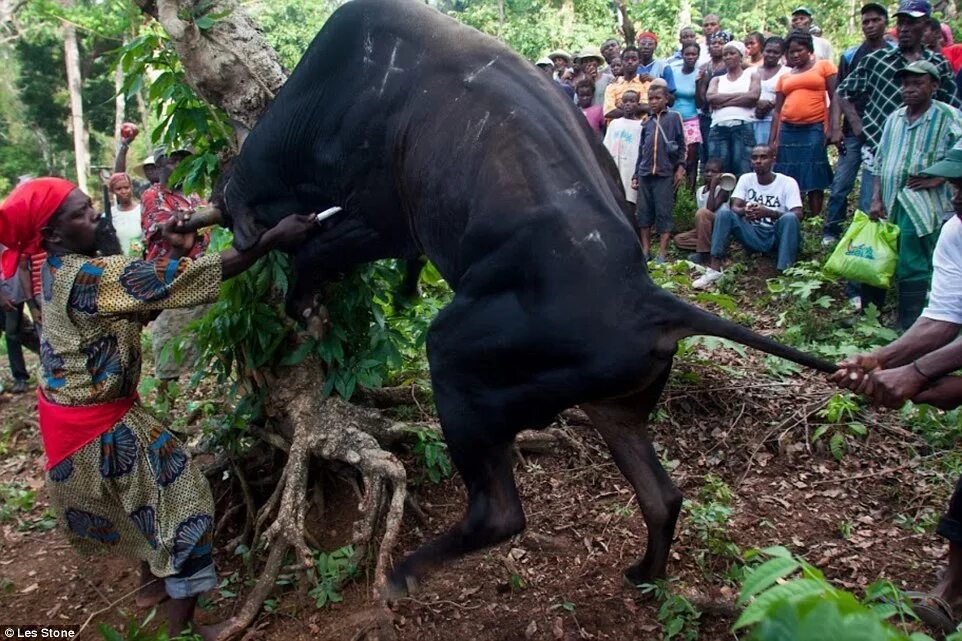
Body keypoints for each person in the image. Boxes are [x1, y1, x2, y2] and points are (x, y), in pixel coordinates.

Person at [0, 177, 318, 639]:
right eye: (81, 212)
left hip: (74, 420)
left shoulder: (53, 272)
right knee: (185, 501)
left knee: (141, 500)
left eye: (91, 206)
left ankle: (152, 587)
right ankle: (183, 632)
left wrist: (171, 250)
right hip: (100, 427)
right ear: (51, 233)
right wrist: (270, 240)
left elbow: (140, 298)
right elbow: (177, 282)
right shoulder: (83, 278)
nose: (96, 216)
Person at [829, 145, 962, 635]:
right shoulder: (956, 230)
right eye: (955, 185)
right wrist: (882, 362)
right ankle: (954, 587)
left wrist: (918, 372)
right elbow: (944, 317)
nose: (957, 197)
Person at [866, 60, 962, 330]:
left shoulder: (948, 116)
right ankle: (872, 317)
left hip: (923, 202)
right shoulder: (894, 118)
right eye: (906, 84)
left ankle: (910, 323)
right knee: (883, 255)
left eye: (917, 83)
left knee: (913, 256)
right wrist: (875, 197)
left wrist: (940, 177)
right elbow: (880, 159)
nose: (909, 89)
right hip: (890, 197)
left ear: (934, 85)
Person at [837, 0, 960, 207]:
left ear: (926, 25)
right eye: (901, 23)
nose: (903, 29)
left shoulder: (938, 65)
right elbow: (843, 92)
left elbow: (954, 109)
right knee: (873, 210)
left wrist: (943, 171)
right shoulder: (877, 60)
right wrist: (858, 125)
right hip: (879, 151)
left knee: (919, 214)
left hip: (923, 156)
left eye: (911, 23)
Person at [822, 2, 894, 244]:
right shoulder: (852, 55)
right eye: (866, 21)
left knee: (874, 188)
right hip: (853, 132)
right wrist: (835, 128)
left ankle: (867, 235)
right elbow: (839, 93)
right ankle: (831, 231)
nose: (870, 25)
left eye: (875, 20)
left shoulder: (895, 54)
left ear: (886, 23)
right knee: (841, 183)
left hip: (884, 132)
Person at [140, 149, 211, 386]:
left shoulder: (194, 195)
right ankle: (166, 400)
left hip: (198, 276)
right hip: (168, 277)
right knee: (168, 345)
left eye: (184, 160)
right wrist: (201, 217)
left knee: (199, 344)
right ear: (159, 167)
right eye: (174, 160)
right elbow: (167, 226)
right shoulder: (153, 195)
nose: (180, 165)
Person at [693, 145, 803, 289]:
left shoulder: (787, 182)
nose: (758, 161)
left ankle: (784, 275)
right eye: (755, 158)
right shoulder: (746, 179)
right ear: (750, 161)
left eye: (763, 157)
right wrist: (746, 211)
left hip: (775, 235)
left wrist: (768, 212)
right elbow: (735, 206)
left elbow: (798, 214)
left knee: (789, 218)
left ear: (772, 160)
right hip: (751, 232)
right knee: (725, 211)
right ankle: (714, 269)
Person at [769, 30, 840, 219]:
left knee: (813, 171)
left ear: (809, 49)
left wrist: (834, 128)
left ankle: (815, 218)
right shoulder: (785, 77)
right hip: (788, 129)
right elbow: (777, 110)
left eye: (799, 50)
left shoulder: (824, 66)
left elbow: (836, 98)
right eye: (791, 52)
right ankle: (792, 216)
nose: (795, 55)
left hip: (814, 127)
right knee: (788, 173)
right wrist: (773, 140)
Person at [631, 83, 686, 264]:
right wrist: (636, 174)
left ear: (666, 99)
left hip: (665, 172)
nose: (654, 102)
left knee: (664, 211)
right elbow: (641, 149)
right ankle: (646, 249)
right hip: (646, 172)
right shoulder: (647, 121)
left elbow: (681, 145)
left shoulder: (674, 118)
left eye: (658, 98)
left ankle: (662, 252)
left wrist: (680, 168)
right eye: (651, 99)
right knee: (644, 213)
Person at [706, 41, 760, 176]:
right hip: (718, 128)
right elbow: (711, 97)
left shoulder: (752, 75)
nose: (728, 57)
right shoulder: (717, 80)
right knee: (718, 172)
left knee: (743, 170)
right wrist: (742, 96)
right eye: (725, 54)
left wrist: (723, 102)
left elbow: (753, 96)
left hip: (742, 127)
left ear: (741, 56)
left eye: (732, 53)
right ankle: (718, 198)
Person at [674, 158, 734, 264]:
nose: (709, 174)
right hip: (705, 229)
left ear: (721, 174)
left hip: (718, 226)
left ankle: (704, 254)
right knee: (679, 239)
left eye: (714, 172)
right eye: (707, 171)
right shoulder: (700, 190)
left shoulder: (723, 189)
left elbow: (710, 209)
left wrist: (713, 186)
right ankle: (713, 246)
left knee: (703, 213)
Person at [603, 90, 644, 205]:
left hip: (630, 168)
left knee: (629, 199)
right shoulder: (614, 124)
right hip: (615, 165)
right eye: (625, 101)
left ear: (638, 105)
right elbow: (606, 147)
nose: (628, 104)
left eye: (632, 101)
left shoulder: (641, 126)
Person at [697, 31, 731, 166]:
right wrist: (699, 82)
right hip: (706, 115)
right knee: (706, 153)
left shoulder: (730, 66)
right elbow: (700, 99)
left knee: (724, 155)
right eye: (713, 43)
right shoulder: (704, 67)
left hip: (724, 114)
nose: (716, 46)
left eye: (721, 43)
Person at [673, 43, 704, 189]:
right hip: (674, 120)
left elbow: (700, 103)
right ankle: (674, 194)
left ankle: (690, 197)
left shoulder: (700, 73)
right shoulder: (673, 71)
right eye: (687, 54)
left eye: (694, 54)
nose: (690, 57)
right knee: (673, 158)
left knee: (691, 161)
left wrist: (698, 84)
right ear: (682, 54)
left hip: (691, 120)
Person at [754, 37, 789, 146]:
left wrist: (770, 104)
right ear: (763, 50)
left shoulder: (787, 72)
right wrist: (757, 103)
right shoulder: (750, 72)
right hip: (752, 121)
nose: (771, 55)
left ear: (782, 54)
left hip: (776, 122)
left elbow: (789, 93)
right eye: (768, 51)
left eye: (776, 52)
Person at [604, 46, 651, 119]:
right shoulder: (612, 85)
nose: (630, 62)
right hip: (618, 128)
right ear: (622, 61)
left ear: (639, 62)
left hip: (641, 128)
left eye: (634, 59)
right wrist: (638, 108)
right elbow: (609, 112)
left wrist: (623, 108)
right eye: (626, 59)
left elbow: (649, 107)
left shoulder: (646, 83)